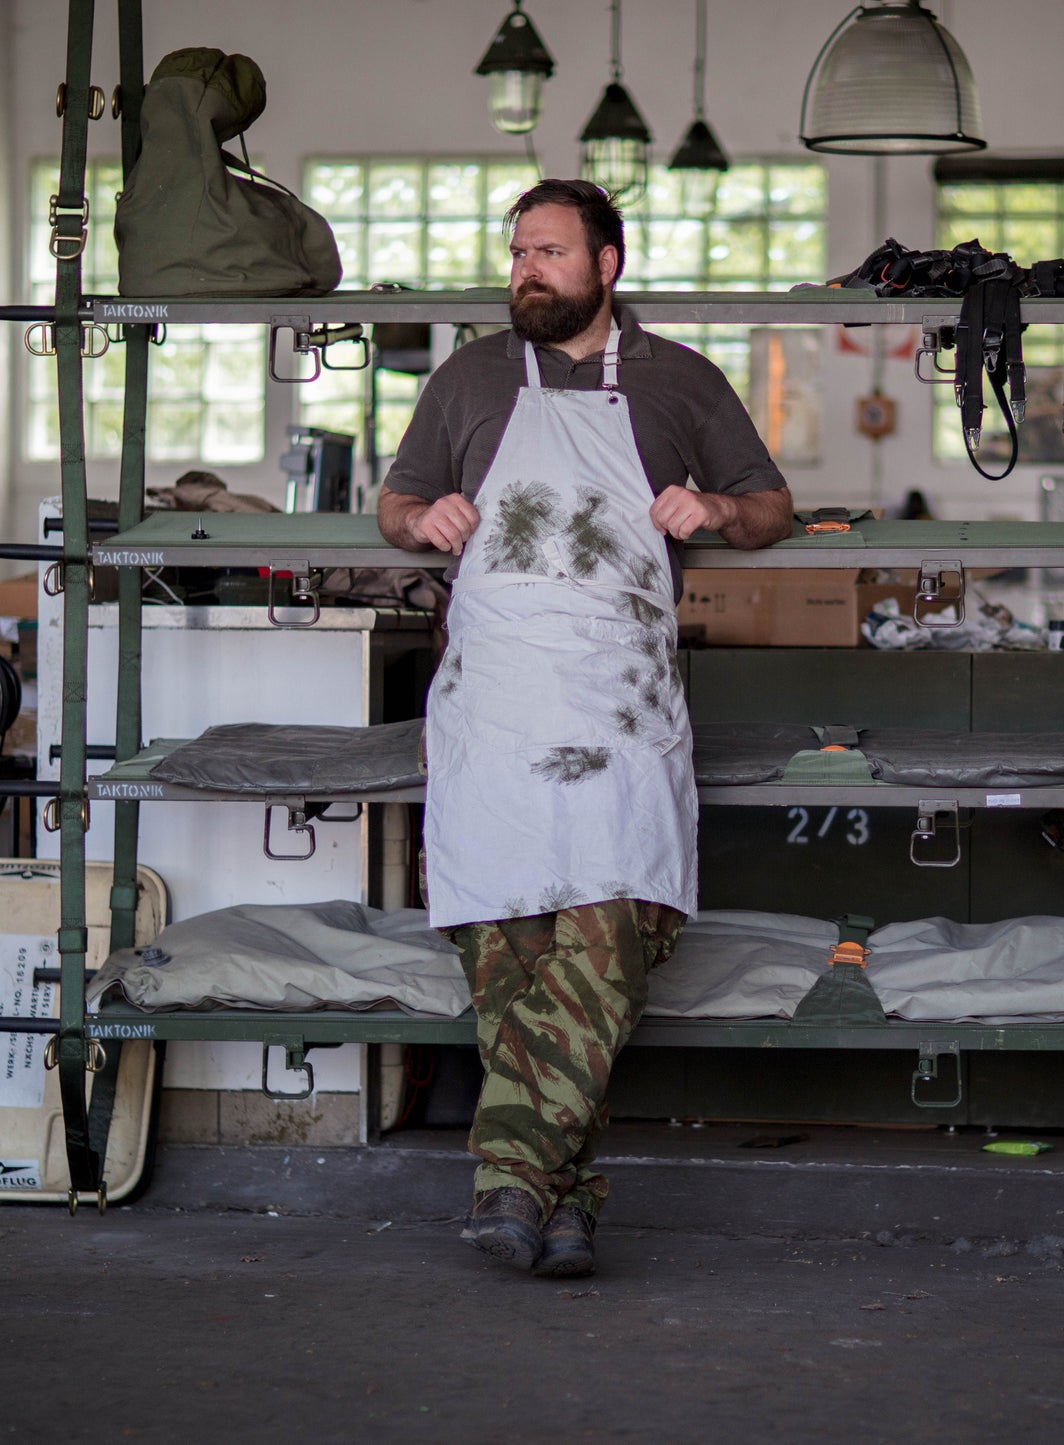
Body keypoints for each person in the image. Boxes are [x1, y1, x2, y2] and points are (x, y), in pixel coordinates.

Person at [379, 179, 793, 1278]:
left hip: (619, 713)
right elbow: (396, 500)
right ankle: (563, 1204)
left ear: (607, 264)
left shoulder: (680, 382)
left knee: (606, 949)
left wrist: (716, 509)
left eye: (550, 252)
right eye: (519, 251)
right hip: (495, 713)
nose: (527, 269)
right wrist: (421, 516)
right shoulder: (467, 377)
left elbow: (769, 504)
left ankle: (509, 1179)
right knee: (511, 970)